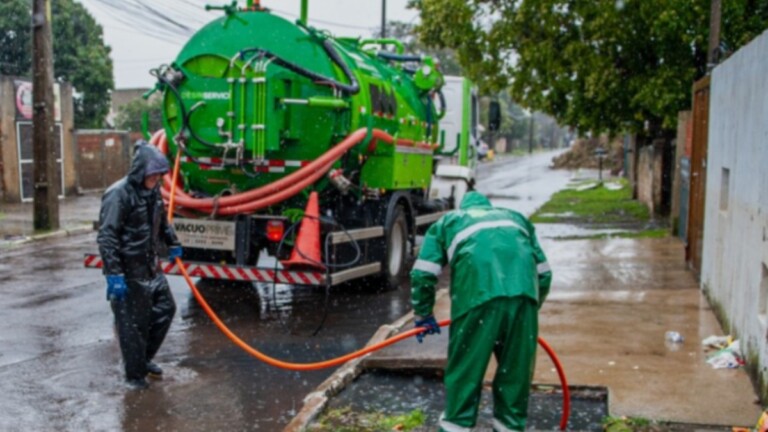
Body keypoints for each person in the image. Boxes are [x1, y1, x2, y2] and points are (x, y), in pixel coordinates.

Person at [410, 191, 552, 432]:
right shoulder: (516, 219)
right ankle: (509, 426)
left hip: (477, 299)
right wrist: (524, 313)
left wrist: (423, 314)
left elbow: (423, 273)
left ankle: (456, 425)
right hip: (523, 300)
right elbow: (544, 274)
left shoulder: (449, 222)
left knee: (465, 374)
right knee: (515, 378)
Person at [97, 141, 183, 390]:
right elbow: (107, 236)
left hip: (151, 267)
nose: (156, 178)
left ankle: (142, 360)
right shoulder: (118, 193)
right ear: (140, 171)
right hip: (128, 272)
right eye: (152, 173)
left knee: (165, 310)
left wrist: (172, 243)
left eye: (159, 174)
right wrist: (114, 274)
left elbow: (162, 221)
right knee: (133, 326)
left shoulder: (153, 191)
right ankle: (134, 376)